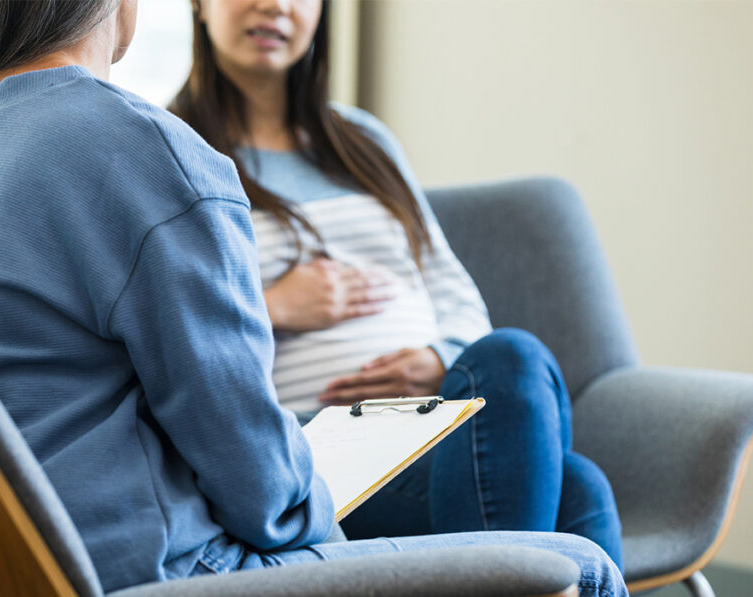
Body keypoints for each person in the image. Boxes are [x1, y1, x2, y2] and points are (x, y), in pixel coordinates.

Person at [0, 0, 626, 595]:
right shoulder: (150, 149)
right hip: (160, 567)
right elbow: (261, 492)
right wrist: (339, 544)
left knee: (569, 469)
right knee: (580, 564)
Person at [169, 0, 624, 570]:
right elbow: (168, 330)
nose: (275, 5)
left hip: (430, 419)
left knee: (515, 367)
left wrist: (438, 357)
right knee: (576, 481)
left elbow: (451, 289)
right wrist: (275, 305)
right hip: (313, 453)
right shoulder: (173, 149)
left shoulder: (364, 141)